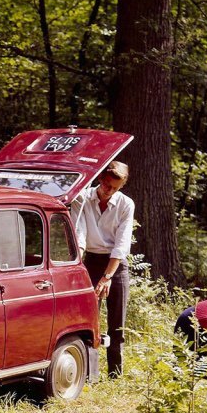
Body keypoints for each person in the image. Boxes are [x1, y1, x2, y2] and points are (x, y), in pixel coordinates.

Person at [71, 161, 134, 377]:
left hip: (116, 265)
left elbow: (122, 244)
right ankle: (90, 373)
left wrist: (108, 276)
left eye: (115, 188)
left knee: (117, 321)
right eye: (107, 186)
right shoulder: (82, 197)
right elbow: (78, 234)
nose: (109, 191)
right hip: (90, 260)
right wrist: (76, 264)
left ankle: (115, 373)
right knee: (89, 318)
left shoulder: (126, 205)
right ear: (100, 179)